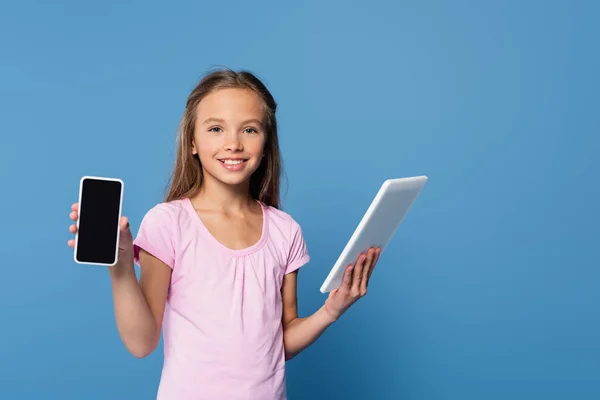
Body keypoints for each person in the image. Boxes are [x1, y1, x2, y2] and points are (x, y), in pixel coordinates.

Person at [67, 68, 381, 400]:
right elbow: (142, 343)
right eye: (216, 129)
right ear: (192, 142)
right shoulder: (168, 223)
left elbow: (281, 343)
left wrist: (331, 311)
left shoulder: (285, 231)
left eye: (249, 129)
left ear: (265, 143)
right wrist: (120, 270)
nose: (233, 143)